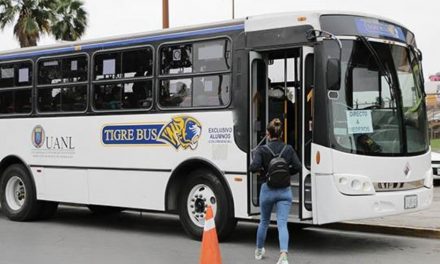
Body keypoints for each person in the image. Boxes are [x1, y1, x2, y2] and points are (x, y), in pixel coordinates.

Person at [250, 118, 302, 264]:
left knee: (264, 221)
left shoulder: (262, 150)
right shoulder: (288, 149)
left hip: (267, 189)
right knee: (282, 224)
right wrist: (286, 173)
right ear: (282, 133)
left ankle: (259, 251)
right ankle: (283, 256)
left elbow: (253, 168)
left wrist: (265, 173)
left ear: (268, 134)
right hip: (284, 191)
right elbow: (298, 167)